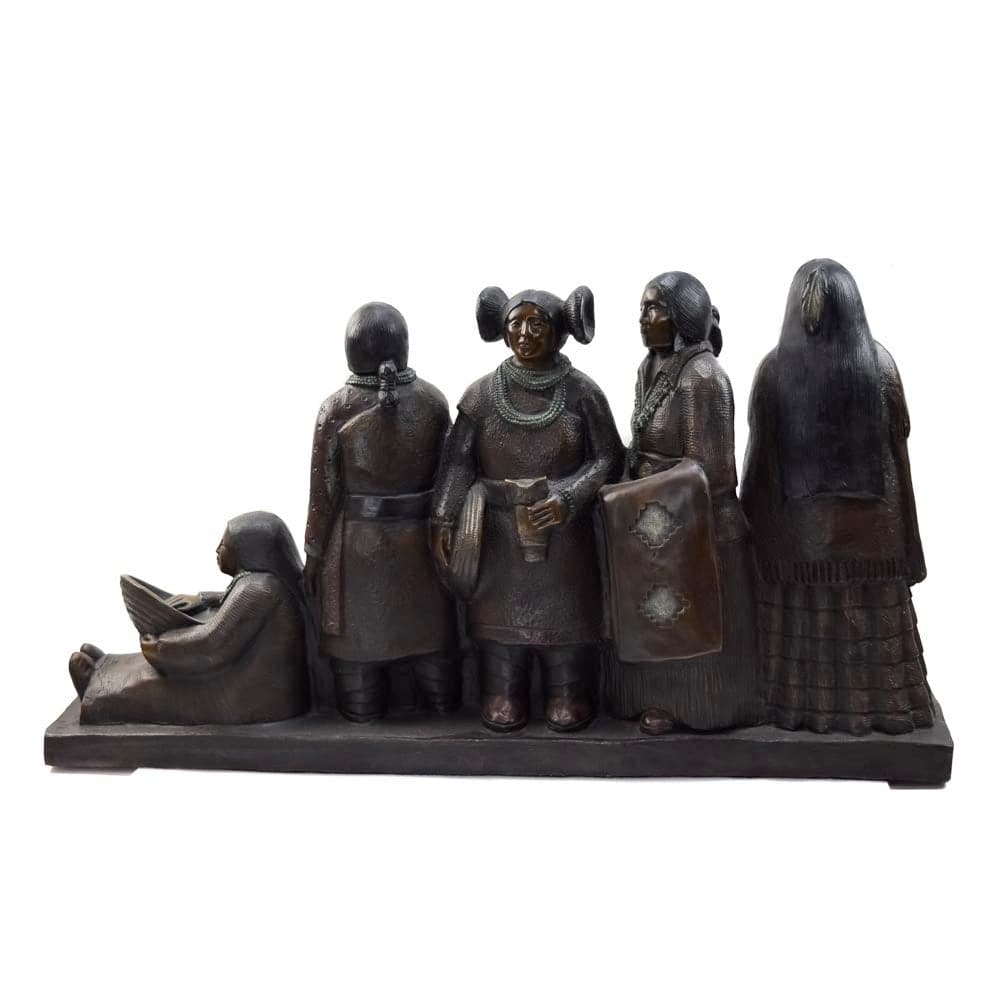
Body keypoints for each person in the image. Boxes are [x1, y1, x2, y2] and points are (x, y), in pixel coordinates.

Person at [740, 259, 933, 734]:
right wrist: (910, 543)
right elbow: (900, 460)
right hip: (873, 543)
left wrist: (749, 536)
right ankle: (883, 711)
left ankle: (800, 710)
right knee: (870, 631)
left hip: (799, 544)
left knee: (803, 630)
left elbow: (758, 466)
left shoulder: (773, 371)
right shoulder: (881, 366)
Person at [431, 285, 623, 733]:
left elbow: (609, 458)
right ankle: (503, 690)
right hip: (497, 533)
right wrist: (444, 516)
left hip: (565, 533)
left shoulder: (582, 393)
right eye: (516, 323)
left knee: (568, 618)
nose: (524, 334)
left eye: (537, 324)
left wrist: (568, 498)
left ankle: (568, 690)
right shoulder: (481, 395)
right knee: (498, 621)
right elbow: (458, 462)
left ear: (561, 331)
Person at [604, 271, 761, 733]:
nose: (643, 319)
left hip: (697, 525)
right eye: (641, 309)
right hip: (654, 518)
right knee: (654, 614)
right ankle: (650, 698)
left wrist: (639, 491)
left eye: (653, 309)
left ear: (682, 318)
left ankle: (696, 708)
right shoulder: (650, 368)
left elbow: (710, 471)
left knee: (687, 620)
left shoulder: (702, 377)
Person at [305, 302, 459, 722]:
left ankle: (362, 717)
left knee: (358, 656)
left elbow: (323, 493)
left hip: (359, 548)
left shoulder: (336, 408)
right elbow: (453, 476)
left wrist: (313, 554)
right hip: (423, 544)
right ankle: (446, 721)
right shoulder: (432, 402)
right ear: (404, 347)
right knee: (433, 647)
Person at [69, 511, 311, 725]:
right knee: (157, 665)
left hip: (251, 698)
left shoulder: (257, 589)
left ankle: (97, 693)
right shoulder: (266, 582)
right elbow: (232, 602)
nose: (218, 550)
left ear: (248, 552)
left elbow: (212, 643)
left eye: (225, 545)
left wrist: (160, 648)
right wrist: (203, 599)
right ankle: (108, 666)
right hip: (268, 691)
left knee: (159, 685)